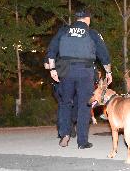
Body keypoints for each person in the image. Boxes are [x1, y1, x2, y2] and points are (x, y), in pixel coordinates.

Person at [47, 8, 112, 149]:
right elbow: (104, 55)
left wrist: (52, 69)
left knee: (65, 103)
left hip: (66, 71)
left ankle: (65, 133)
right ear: (88, 19)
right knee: (85, 105)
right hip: (85, 72)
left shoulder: (63, 31)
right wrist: (108, 72)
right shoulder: (92, 33)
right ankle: (82, 142)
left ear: (76, 19)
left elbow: (51, 50)